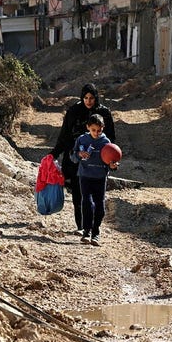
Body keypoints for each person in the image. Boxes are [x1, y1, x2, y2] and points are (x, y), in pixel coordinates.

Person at [50, 83, 116, 234]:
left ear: (96, 98)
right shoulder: (74, 111)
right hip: (76, 159)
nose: (88, 101)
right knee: (79, 195)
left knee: (96, 198)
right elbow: (64, 135)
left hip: (98, 161)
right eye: (85, 98)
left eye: (91, 98)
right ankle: (81, 227)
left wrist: (110, 159)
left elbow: (111, 139)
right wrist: (54, 153)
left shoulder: (104, 113)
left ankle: (93, 227)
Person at [70, 113, 119, 245]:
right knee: (87, 203)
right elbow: (73, 157)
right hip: (85, 176)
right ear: (88, 127)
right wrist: (79, 154)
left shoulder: (106, 142)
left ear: (103, 128)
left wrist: (113, 165)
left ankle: (96, 231)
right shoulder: (82, 140)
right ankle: (87, 232)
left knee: (100, 206)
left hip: (100, 177)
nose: (96, 133)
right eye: (93, 130)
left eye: (99, 130)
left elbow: (111, 162)